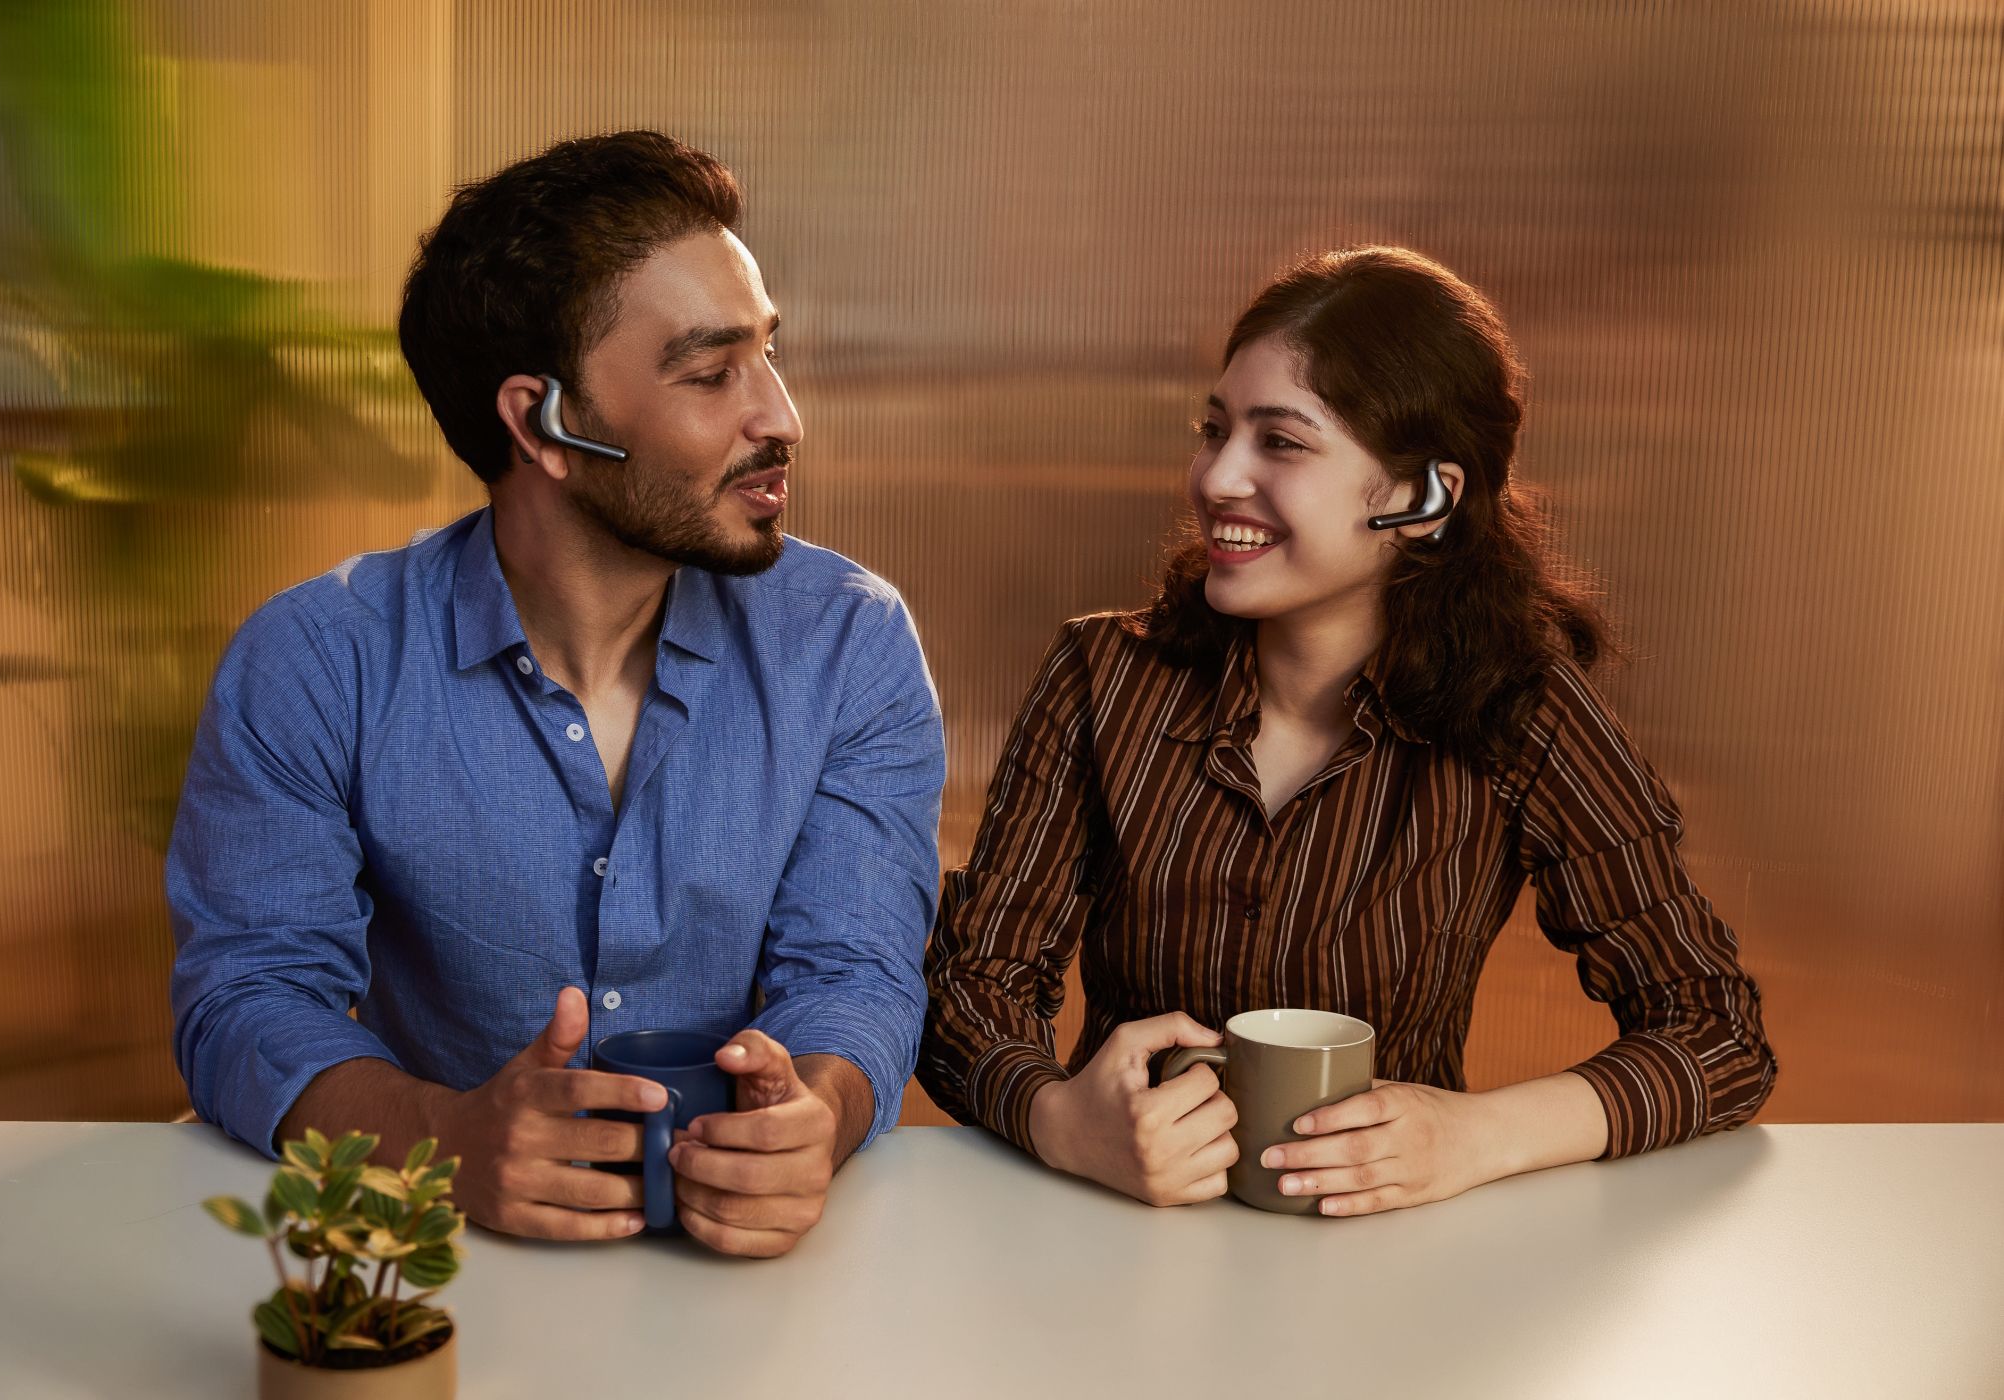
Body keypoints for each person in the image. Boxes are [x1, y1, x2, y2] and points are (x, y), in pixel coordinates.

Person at [169, 131, 943, 1258]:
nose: (780, 417)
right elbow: (246, 995)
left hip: (750, 1285)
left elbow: (855, 968)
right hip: (435, 1270)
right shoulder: (316, 658)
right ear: (541, 421)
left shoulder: (849, 640)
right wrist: (441, 1137)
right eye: (711, 369)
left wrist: (815, 1114)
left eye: (769, 354)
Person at [918, 245, 1775, 1216]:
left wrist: (1474, 1134)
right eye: (1215, 428)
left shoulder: (1525, 709)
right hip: (1119, 1233)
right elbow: (971, 988)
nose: (1217, 476)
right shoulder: (1100, 677)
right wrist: (1059, 1118)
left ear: (1425, 498)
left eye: (1280, 441)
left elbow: (1716, 1031)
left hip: (1387, 1258)